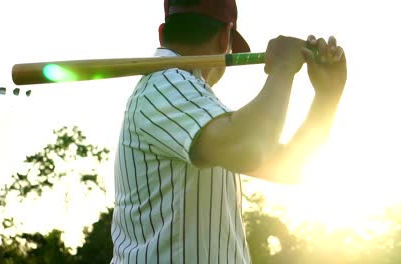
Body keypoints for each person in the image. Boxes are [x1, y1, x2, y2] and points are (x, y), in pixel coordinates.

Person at [110, 0, 347, 263]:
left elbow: (289, 167)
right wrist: (282, 68)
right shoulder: (167, 82)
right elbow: (249, 148)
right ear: (225, 37)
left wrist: (327, 97)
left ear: (162, 32)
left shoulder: (191, 101)